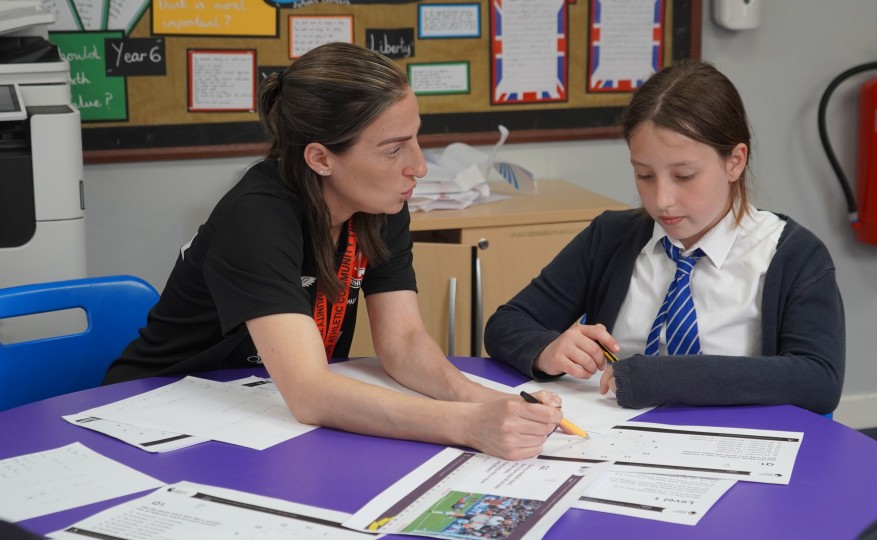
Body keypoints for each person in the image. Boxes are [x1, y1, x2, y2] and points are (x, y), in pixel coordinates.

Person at [102, 42, 562, 460]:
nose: (418, 166)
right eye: (393, 150)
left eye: (416, 138)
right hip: (161, 414)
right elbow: (310, 393)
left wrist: (487, 402)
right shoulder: (255, 217)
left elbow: (402, 343)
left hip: (262, 411)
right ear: (320, 158)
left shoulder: (381, 204)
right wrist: (467, 426)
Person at [483, 60, 844, 415]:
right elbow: (507, 324)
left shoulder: (794, 254)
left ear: (735, 161)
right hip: (615, 440)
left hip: (735, 444)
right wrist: (548, 349)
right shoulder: (611, 237)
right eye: (644, 175)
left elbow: (818, 379)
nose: (662, 200)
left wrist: (662, 376)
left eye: (684, 176)